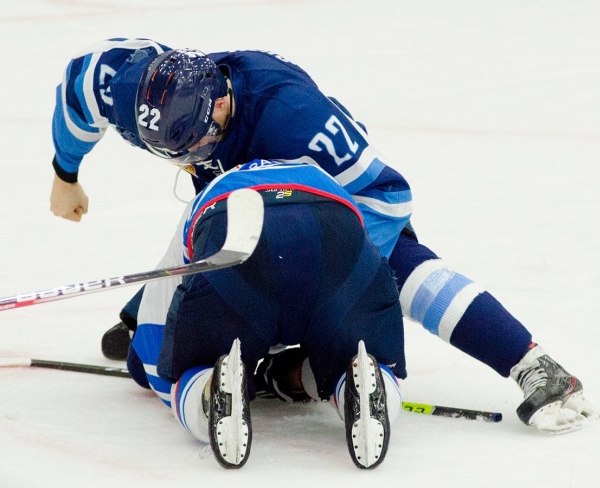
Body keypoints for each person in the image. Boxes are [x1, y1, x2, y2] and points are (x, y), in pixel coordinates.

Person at [49, 38, 600, 434]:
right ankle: (281, 362)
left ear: (219, 102)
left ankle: (532, 364)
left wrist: (345, 283)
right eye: (177, 153)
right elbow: (78, 88)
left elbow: (389, 198)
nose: (192, 159)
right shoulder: (133, 81)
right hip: (243, 207)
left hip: (333, 202)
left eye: (198, 144)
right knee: (202, 284)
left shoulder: (295, 120)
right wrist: (64, 174)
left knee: (398, 268)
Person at [125, 159, 406, 469]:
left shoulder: (208, 192)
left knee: (189, 373)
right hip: (334, 226)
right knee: (352, 356)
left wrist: (162, 375)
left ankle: (208, 393)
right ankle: (372, 388)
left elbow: (152, 334)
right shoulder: (320, 175)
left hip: (234, 237)